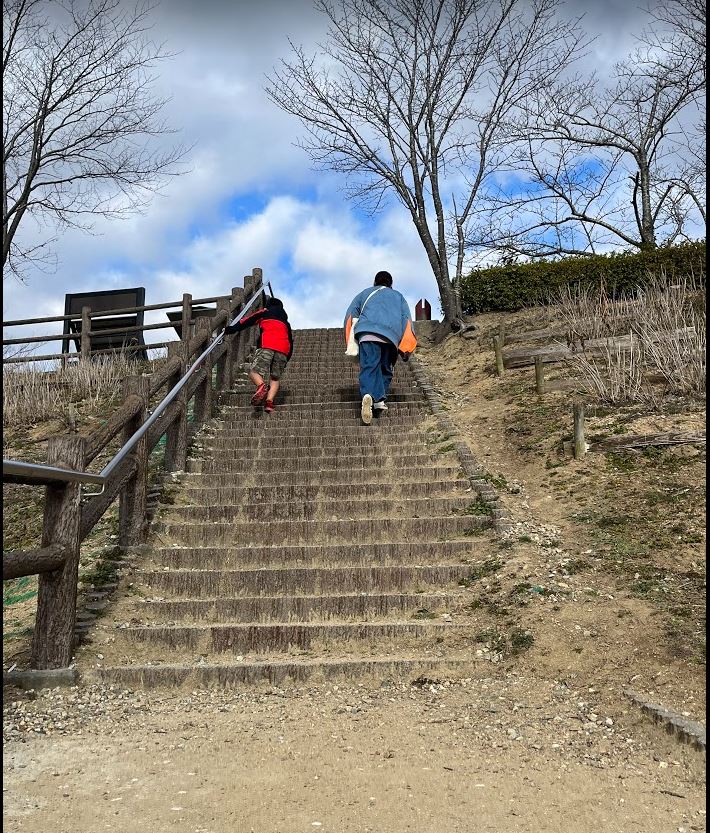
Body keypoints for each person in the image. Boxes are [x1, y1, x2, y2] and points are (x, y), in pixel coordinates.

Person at [344, 271, 417, 425]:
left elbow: (350, 314)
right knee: (385, 368)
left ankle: (368, 395)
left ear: (375, 282)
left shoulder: (364, 294)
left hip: (367, 333)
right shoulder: (398, 297)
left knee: (369, 366)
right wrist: (406, 347)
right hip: (391, 336)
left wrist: (349, 338)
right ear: (391, 284)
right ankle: (379, 400)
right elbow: (407, 320)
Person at [225, 296, 293, 413]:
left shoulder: (265, 312)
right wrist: (287, 357)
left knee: (253, 371)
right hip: (283, 350)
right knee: (275, 378)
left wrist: (231, 329)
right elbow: (291, 341)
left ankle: (261, 386)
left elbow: (247, 321)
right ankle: (269, 403)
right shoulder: (286, 323)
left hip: (267, 345)